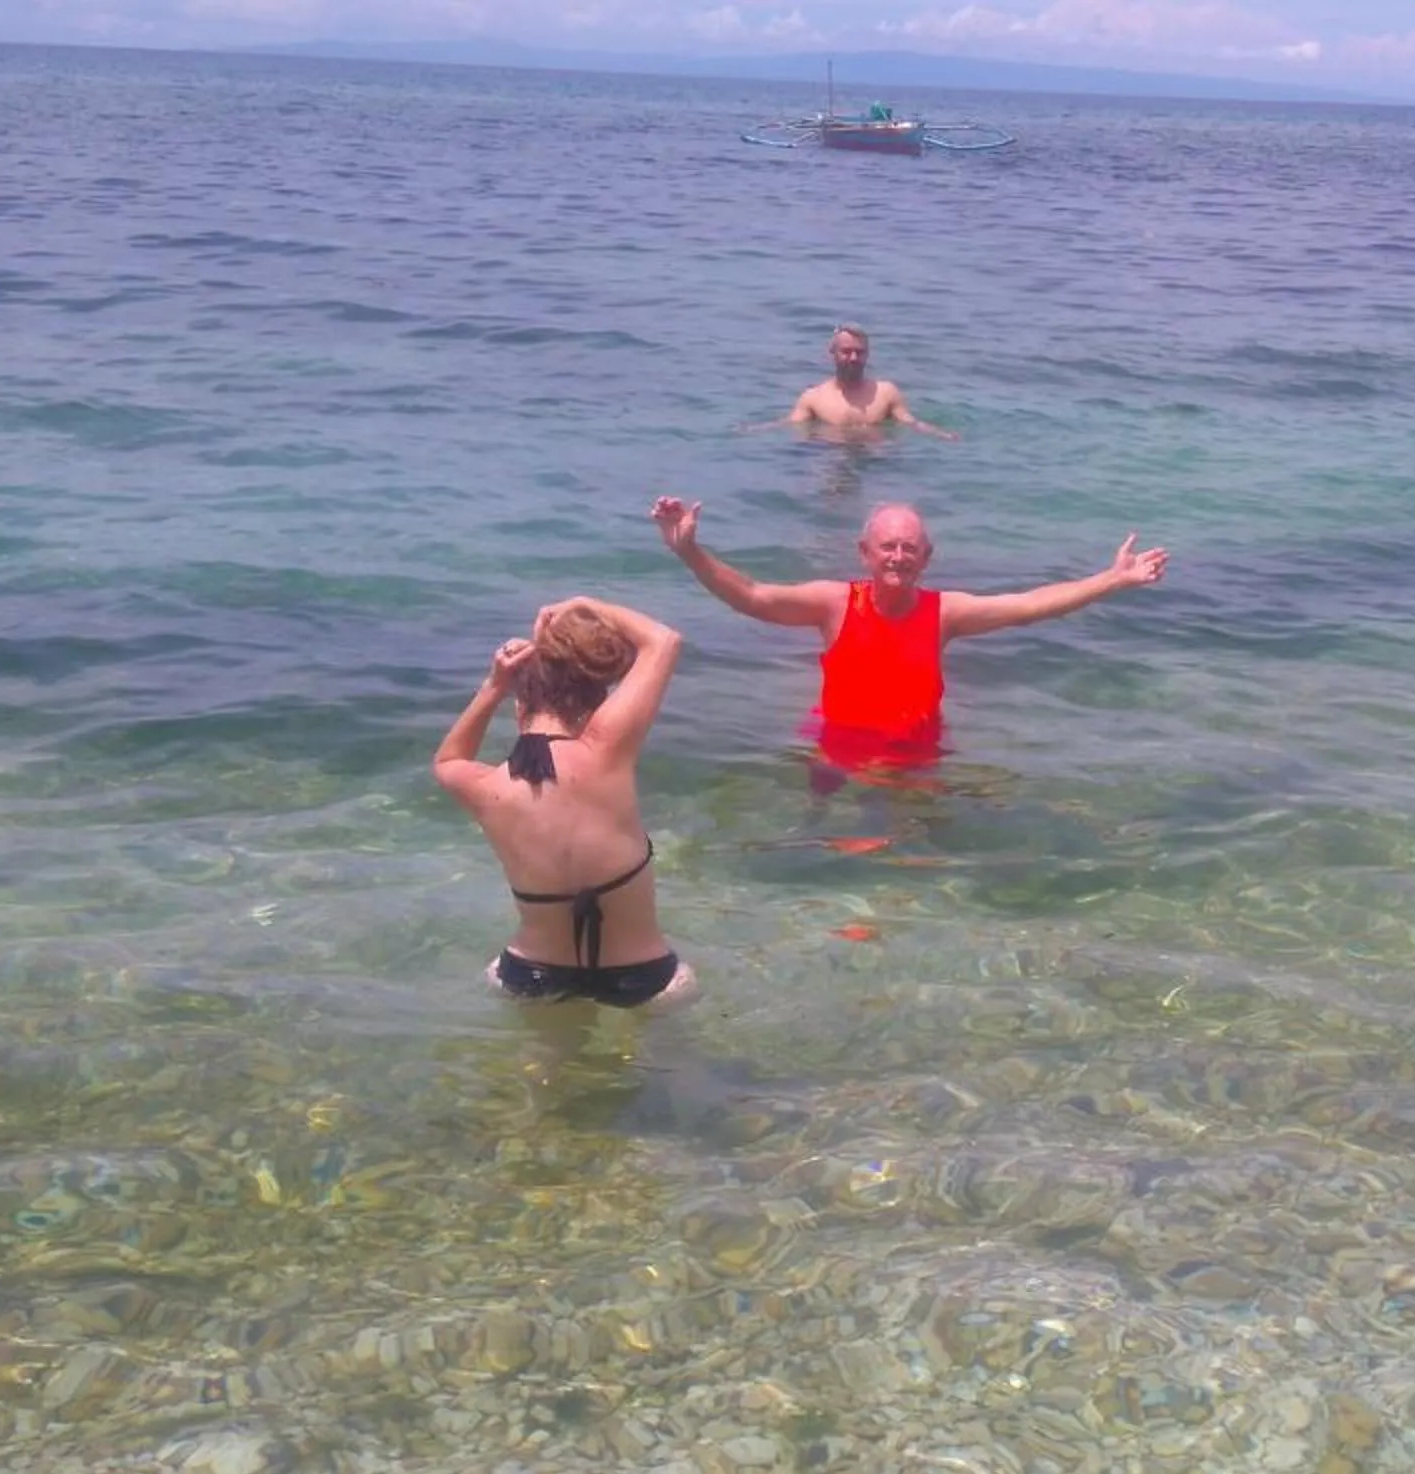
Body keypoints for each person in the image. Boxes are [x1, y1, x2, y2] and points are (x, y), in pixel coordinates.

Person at [649, 496, 1167, 781]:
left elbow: (1027, 607)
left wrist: (1112, 580)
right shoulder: (835, 603)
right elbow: (754, 596)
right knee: (830, 851)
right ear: (865, 552)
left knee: (912, 864)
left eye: (909, 548)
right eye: (888, 546)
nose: (898, 556)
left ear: (927, 557)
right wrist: (689, 552)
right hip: (837, 749)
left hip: (916, 754)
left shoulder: (944, 613)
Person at [432, 596, 695, 1009]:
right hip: (643, 977)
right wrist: (584, 603)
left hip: (529, 975)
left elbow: (448, 760)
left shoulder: (487, 786)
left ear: (519, 706)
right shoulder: (605, 748)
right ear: (595, 706)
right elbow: (664, 640)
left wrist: (495, 684)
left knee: (542, 1072)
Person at [779, 324, 954, 438]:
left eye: (859, 352)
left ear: (868, 354)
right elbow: (791, 424)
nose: (854, 358)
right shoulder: (814, 397)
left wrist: (941, 434)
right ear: (833, 353)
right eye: (846, 352)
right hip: (831, 455)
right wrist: (755, 430)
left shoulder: (885, 393)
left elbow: (909, 422)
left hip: (876, 460)